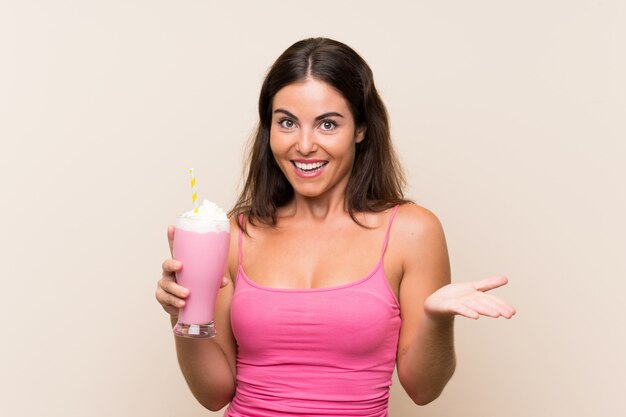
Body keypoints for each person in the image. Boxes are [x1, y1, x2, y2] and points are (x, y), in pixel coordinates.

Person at [156, 37, 516, 416]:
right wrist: (182, 317)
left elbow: (424, 390)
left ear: (361, 128)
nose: (305, 144)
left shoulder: (411, 232)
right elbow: (214, 395)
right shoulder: (234, 234)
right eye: (287, 123)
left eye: (327, 124)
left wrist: (435, 319)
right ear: (269, 129)